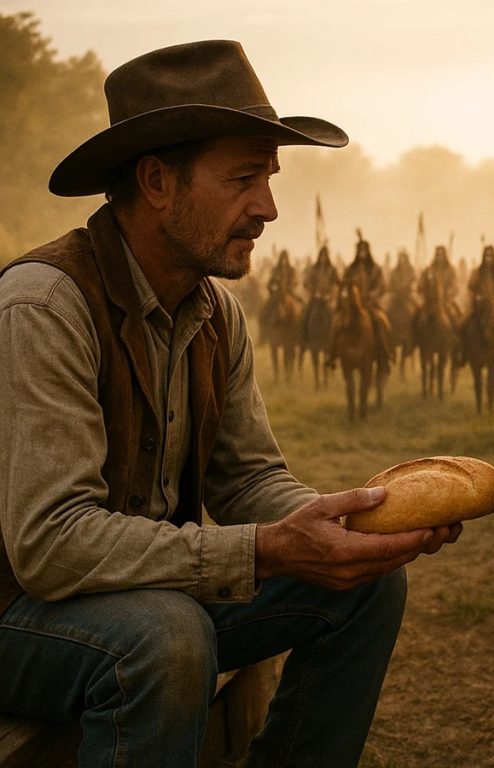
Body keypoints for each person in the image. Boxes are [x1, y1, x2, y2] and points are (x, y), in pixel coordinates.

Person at [0, 40, 462, 768]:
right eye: (245, 179)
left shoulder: (216, 311)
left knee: (366, 589)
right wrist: (265, 548)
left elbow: (248, 481)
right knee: (168, 636)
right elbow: (51, 547)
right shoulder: (45, 306)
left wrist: (349, 523)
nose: (268, 208)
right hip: (18, 613)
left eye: (270, 180)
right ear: (156, 181)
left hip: (148, 595)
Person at [340, 234, 394, 374]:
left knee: (380, 321)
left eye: (364, 250)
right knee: (337, 322)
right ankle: (333, 352)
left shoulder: (375, 269)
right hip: (352, 305)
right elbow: (344, 284)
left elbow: (382, 286)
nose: (362, 253)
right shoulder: (351, 269)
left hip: (370, 303)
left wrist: (371, 294)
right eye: (360, 250)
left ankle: (384, 352)